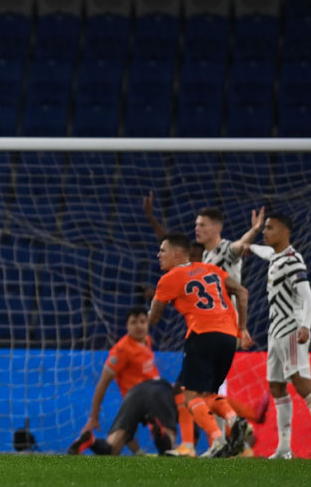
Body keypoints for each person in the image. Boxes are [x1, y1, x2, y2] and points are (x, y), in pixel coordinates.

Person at [141, 195, 268, 456]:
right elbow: (242, 292)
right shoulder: (211, 269)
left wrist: (154, 302)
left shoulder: (170, 278)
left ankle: (212, 440)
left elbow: (153, 318)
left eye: (162, 251)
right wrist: (243, 327)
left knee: (189, 397)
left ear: (178, 254)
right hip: (228, 336)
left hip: (202, 335)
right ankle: (234, 423)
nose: (158, 255)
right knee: (208, 394)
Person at [242, 213, 311, 459]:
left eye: (270, 228)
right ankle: (283, 449)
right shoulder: (277, 256)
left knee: (301, 383)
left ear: (284, 232)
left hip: (292, 329)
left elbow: (306, 295)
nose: (265, 231)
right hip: (275, 331)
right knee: (276, 386)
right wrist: (250, 247)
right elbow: (266, 253)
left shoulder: (293, 260)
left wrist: (306, 326)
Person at [68, 307, 173, 456]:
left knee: (113, 449)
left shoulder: (146, 341)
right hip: (145, 396)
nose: (139, 326)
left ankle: (91, 441)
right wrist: (93, 417)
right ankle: (166, 435)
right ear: (126, 326)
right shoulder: (121, 350)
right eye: (133, 322)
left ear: (148, 324)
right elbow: (103, 383)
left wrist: (139, 453)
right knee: (170, 440)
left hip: (133, 401)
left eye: (142, 321)